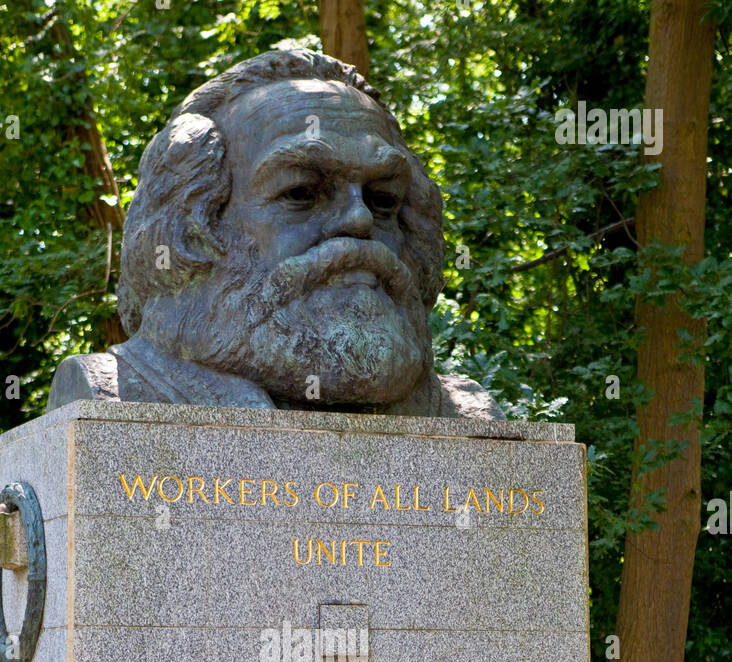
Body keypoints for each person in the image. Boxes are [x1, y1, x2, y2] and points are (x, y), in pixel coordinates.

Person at [48, 48, 503, 420]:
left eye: (383, 199)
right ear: (192, 227)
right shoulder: (114, 399)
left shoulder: (464, 416)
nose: (359, 220)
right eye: (302, 192)